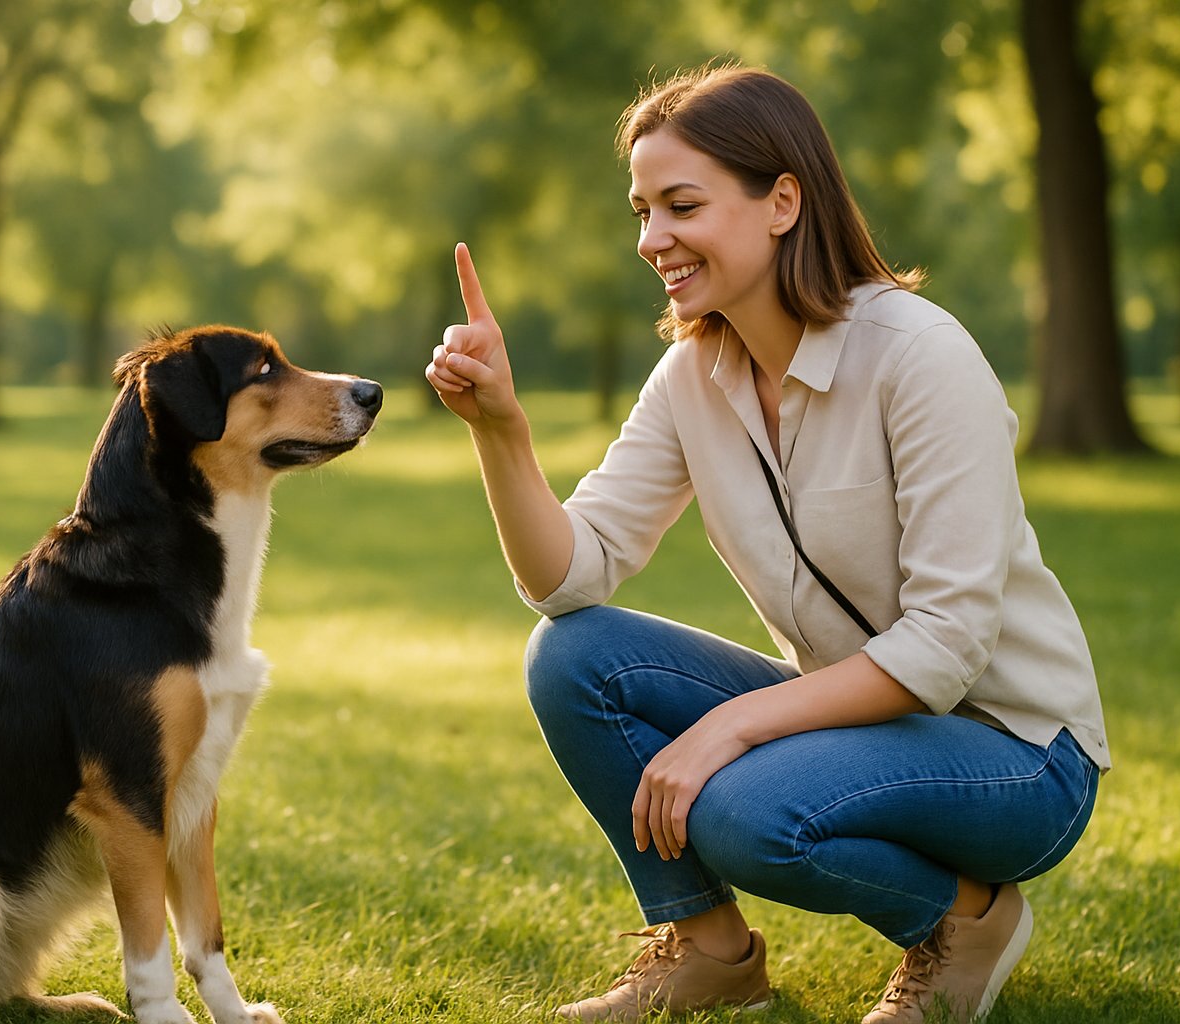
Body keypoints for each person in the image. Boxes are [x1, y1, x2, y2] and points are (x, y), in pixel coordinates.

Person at [424, 63, 1108, 1024]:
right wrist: (500, 428)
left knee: (743, 809)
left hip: (1018, 755)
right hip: (859, 722)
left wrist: (730, 727)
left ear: (782, 201)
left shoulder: (919, 355)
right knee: (575, 654)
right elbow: (567, 579)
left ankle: (972, 919)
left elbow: (947, 644)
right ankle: (710, 952)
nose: (652, 238)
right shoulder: (693, 373)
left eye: (682, 205)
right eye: (642, 210)